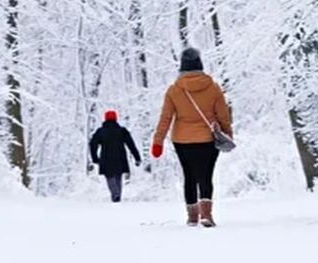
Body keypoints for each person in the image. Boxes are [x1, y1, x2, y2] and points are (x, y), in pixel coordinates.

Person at [151, 47, 232, 227]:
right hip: (207, 139)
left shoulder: (174, 90)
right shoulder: (213, 88)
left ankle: (192, 216)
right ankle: (206, 214)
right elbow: (223, 114)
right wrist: (227, 133)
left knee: (189, 176)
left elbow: (165, 118)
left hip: (182, 141)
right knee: (205, 175)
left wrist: (158, 141)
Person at [89, 110, 142, 203]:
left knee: (109, 177)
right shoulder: (122, 131)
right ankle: (117, 196)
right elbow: (131, 144)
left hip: (106, 158)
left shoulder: (101, 131)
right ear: (115, 118)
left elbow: (93, 144)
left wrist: (95, 158)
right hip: (120, 158)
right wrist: (137, 158)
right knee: (118, 177)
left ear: (105, 119)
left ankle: (115, 195)